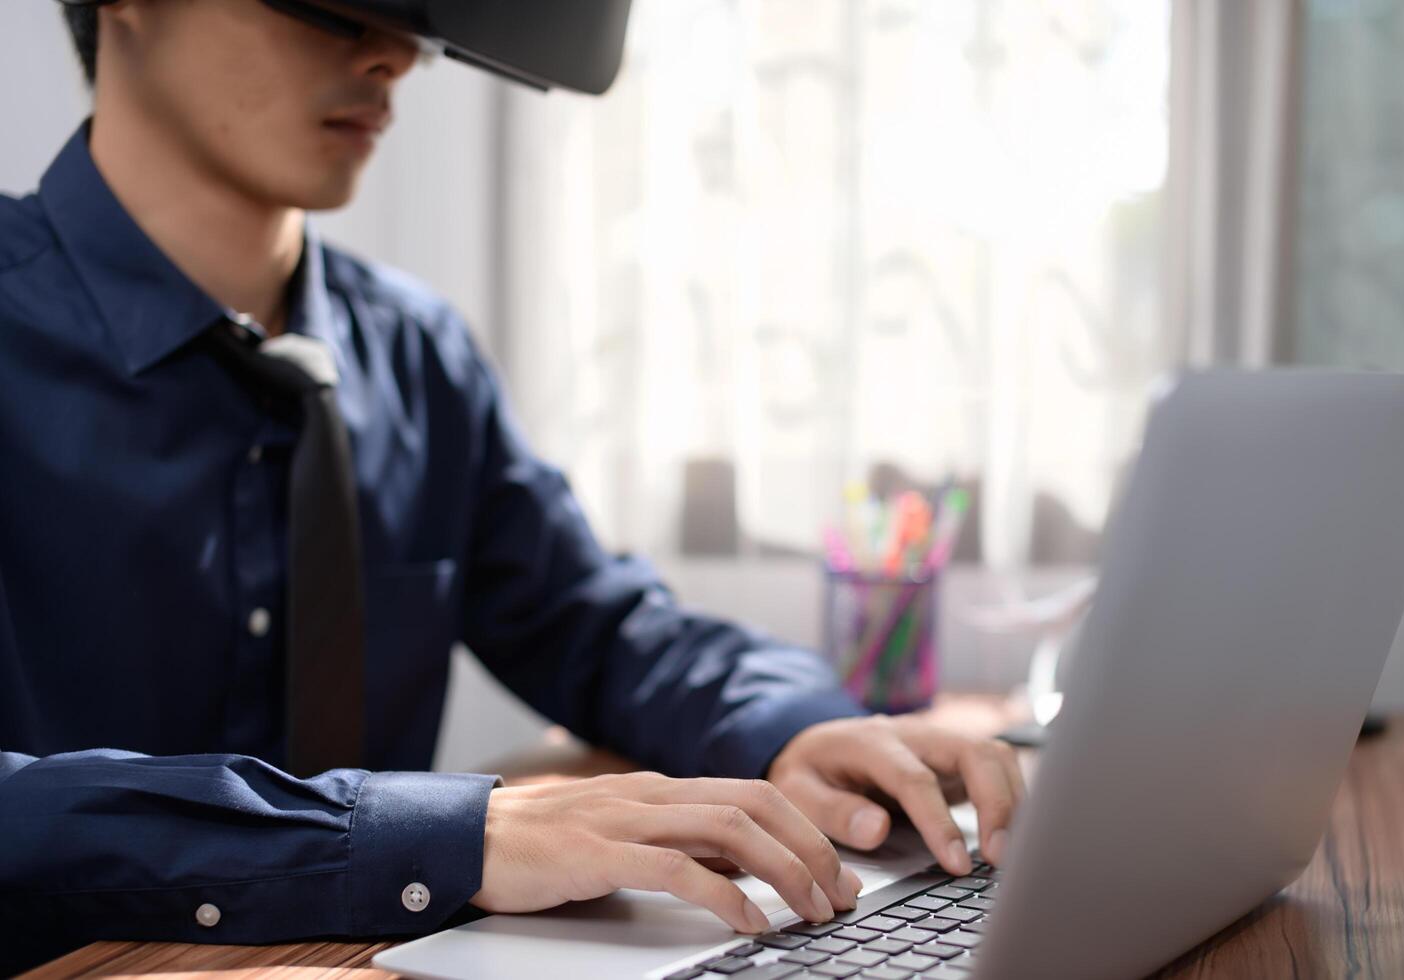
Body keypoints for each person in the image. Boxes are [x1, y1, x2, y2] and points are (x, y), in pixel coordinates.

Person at [0, 1, 1023, 973]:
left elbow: (594, 623)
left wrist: (797, 723)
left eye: (407, 19)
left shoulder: (412, 352)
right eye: (327, 6)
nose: (393, 54)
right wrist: (447, 832)